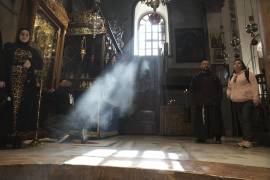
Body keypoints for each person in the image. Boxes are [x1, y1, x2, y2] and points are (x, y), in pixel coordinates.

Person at [0, 28, 43, 147]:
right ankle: (5, 136)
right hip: (10, 81)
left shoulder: (33, 51)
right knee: (9, 107)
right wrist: (2, 78)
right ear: (18, 35)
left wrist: (31, 62)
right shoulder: (10, 47)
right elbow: (3, 62)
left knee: (21, 110)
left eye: (27, 34)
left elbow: (41, 64)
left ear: (29, 37)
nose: (24, 36)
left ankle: (16, 137)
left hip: (26, 85)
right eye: (22, 34)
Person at [227, 57, 259, 148]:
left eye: (239, 63)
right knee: (241, 121)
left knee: (246, 119)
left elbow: (254, 86)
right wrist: (229, 94)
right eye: (234, 64)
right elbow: (229, 87)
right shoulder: (232, 76)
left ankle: (249, 140)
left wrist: (256, 97)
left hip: (247, 100)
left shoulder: (248, 74)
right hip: (237, 101)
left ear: (242, 65)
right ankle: (245, 139)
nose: (236, 65)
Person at [190, 60, 223, 143]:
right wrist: (195, 100)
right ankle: (201, 137)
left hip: (213, 102)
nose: (206, 65)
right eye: (204, 64)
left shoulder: (215, 77)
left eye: (207, 64)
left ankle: (217, 137)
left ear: (209, 66)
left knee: (215, 120)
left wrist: (218, 99)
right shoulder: (196, 77)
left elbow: (219, 89)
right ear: (200, 66)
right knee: (201, 120)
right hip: (200, 103)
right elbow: (192, 90)